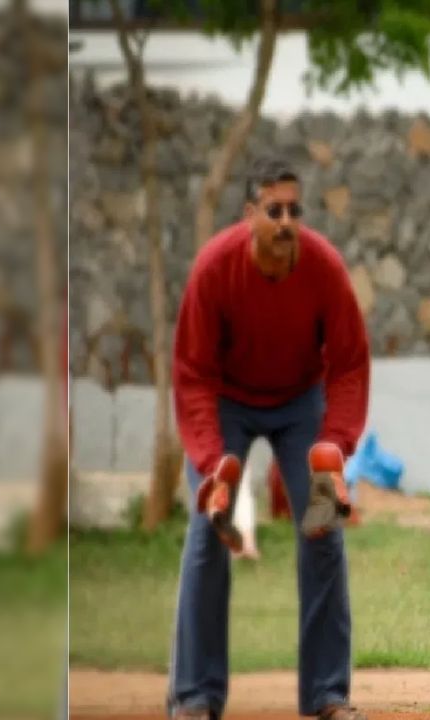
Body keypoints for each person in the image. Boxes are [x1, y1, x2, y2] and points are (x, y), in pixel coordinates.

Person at [168, 157, 371, 720]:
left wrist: (335, 446)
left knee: (323, 526)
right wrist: (212, 465)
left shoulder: (323, 268)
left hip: (301, 402)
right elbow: (192, 373)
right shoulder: (214, 268)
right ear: (249, 214)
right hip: (226, 398)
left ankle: (329, 695)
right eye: (274, 210)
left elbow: (349, 364)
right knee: (210, 531)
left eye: (294, 210)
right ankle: (194, 696)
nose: (286, 221)